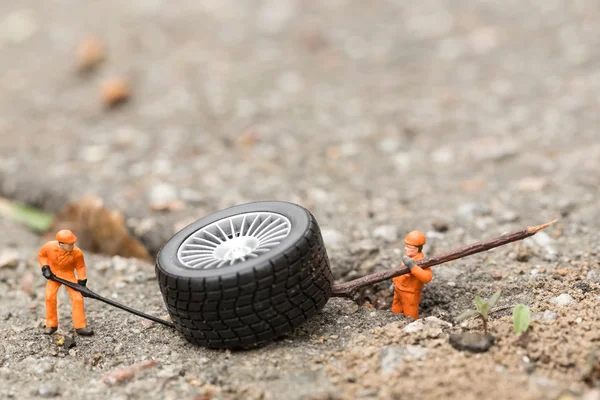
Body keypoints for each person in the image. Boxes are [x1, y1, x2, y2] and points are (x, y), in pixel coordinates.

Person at [38, 229, 94, 336]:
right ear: (61, 243)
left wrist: (82, 282)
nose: (72, 246)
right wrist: (45, 268)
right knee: (50, 297)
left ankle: (80, 326)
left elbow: (80, 266)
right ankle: (51, 325)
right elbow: (42, 255)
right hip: (54, 275)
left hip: (68, 275)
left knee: (77, 298)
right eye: (69, 244)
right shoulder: (49, 247)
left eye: (73, 243)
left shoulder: (77, 253)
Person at [391, 230, 432, 319]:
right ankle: (393, 325)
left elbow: (427, 278)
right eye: (406, 246)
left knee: (410, 315)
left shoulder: (422, 262)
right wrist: (394, 282)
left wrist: (413, 267)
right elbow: (399, 272)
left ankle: (411, 328)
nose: (406, 249)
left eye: (409, 247)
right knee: (395, 310)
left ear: (417, 249)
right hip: (398, 290)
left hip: (410, 294)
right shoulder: (407, 258)